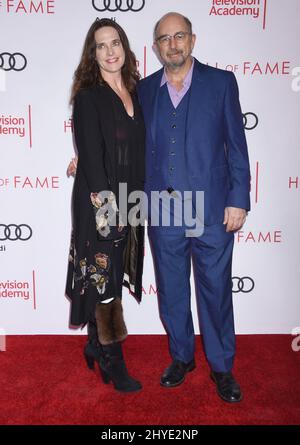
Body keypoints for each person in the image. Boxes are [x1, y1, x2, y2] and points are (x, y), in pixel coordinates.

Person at [137, 12, 250, 402]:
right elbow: (126, 142)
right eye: (165, 39)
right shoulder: (145, 89)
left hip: (212, 210)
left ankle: (222, 367)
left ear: (193, 40)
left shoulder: (220, 83)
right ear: (156, 47)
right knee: (170, 291)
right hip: (162, 209)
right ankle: (182, 357)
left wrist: (238, 198)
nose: (173, 44)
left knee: (216, 290)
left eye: (179, 36)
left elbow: (237, 145)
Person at [66, 18, 145, 393]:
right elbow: (94, 160)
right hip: (102, 202)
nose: (110, 51)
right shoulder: (88, 96)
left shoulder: (137, 91)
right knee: (106, 281)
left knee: (112, 274)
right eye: (101, 45)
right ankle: (113, 361)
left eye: (115, 43)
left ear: (125, 47)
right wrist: (106, 209)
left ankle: (96, 345)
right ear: (92, 53)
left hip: (131, 199)